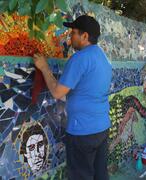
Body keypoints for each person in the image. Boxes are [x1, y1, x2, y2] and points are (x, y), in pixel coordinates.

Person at [33, 15, 112, 180]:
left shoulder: (80, 58)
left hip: (83, 131)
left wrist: (44, 68)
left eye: (73, 33)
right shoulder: (104, 58)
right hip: (102, 128)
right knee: (100, 175)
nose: (70, 37)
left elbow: (57, 92)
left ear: (84, 36)